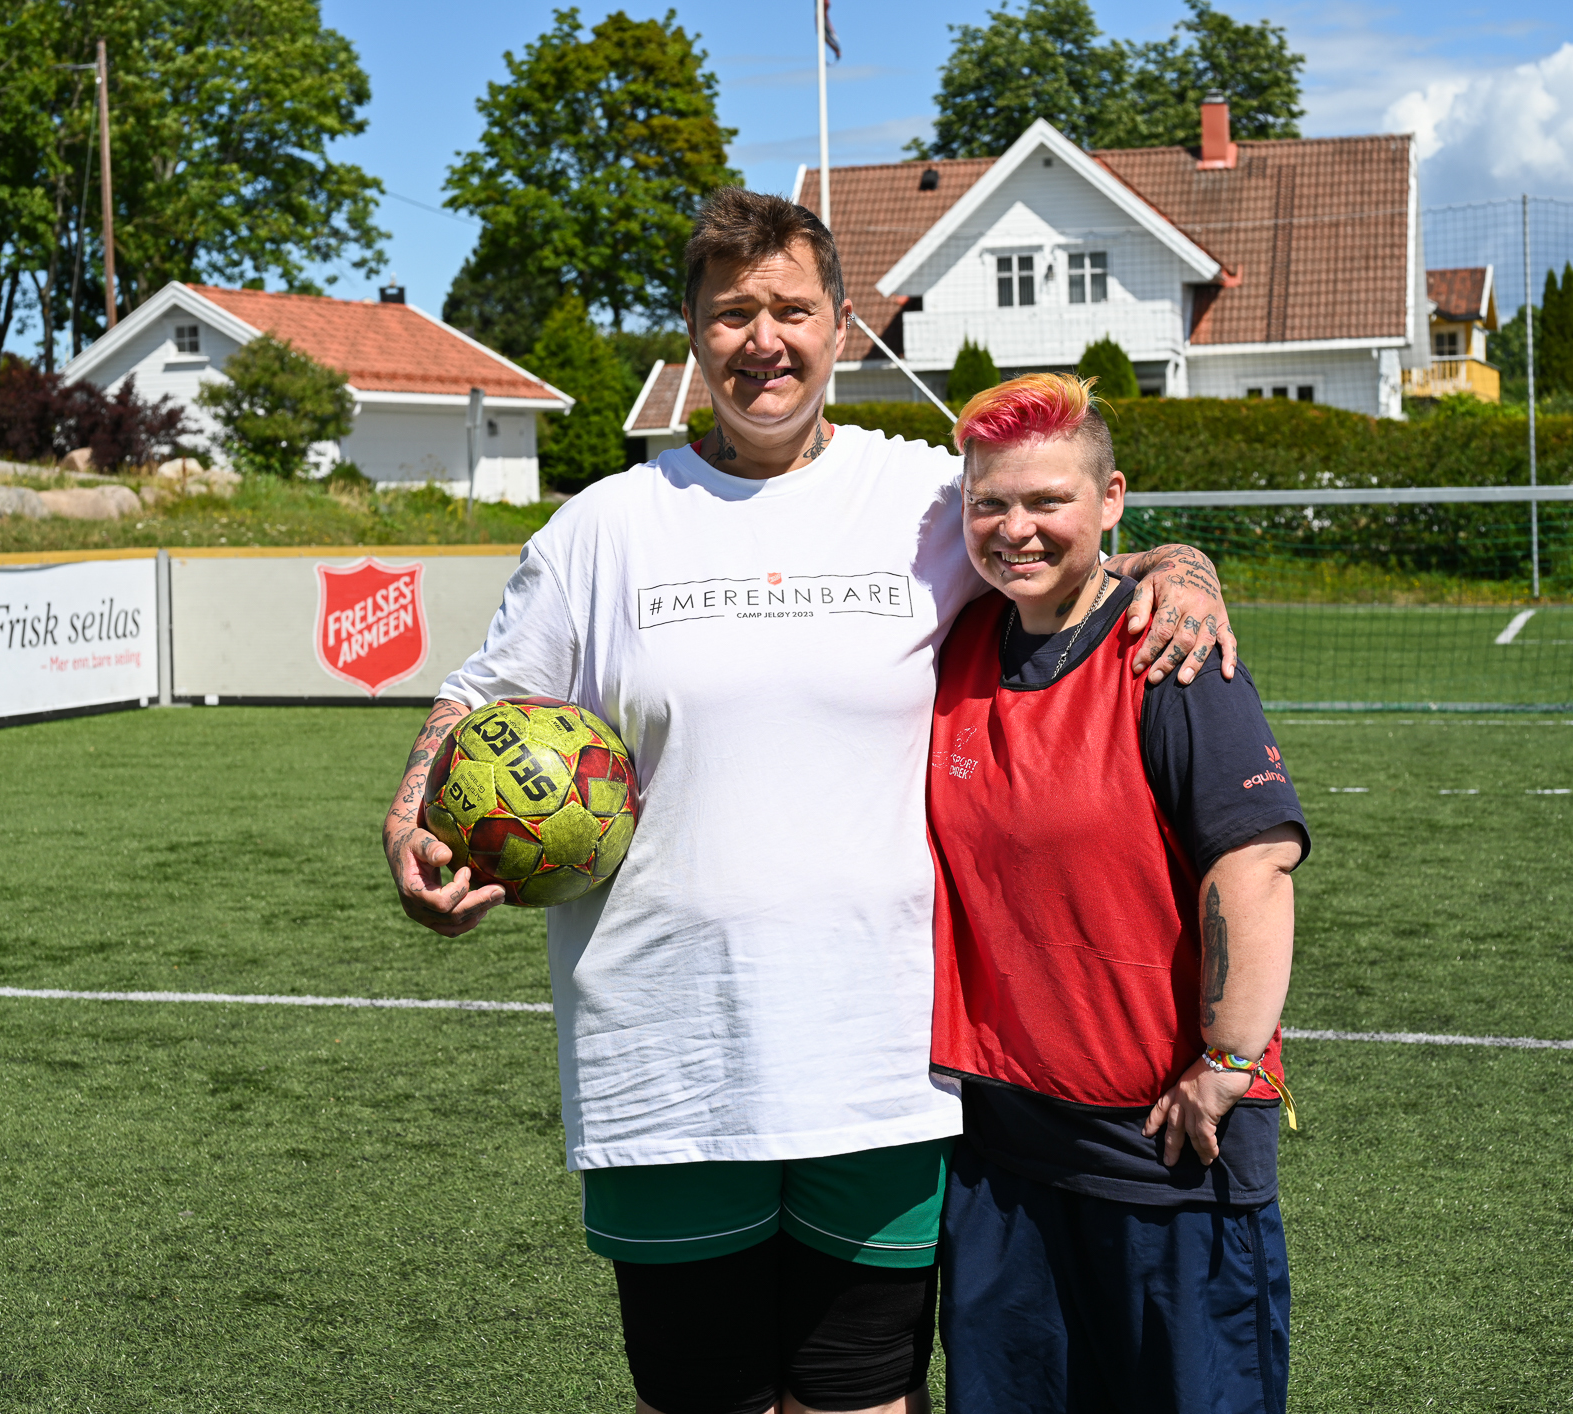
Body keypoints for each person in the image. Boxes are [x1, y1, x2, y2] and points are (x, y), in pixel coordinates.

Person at [382, 190, 1238, 1414]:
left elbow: (1055, 541)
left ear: (844, 326)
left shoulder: (924, 504)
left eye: (791, 308)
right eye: (732, 313)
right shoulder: (603, 529)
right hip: (664, 1056)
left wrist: (1181, 563)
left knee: (863, 1403)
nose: (763, 340)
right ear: (691, 334)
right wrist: (409, 826)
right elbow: (473, 708)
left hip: (877, 1058)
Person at [927, 374, 1309, 1413]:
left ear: (1112, 501)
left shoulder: (1173, 652)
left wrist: (1227, 1062)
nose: (1016, 529)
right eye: (990, 503)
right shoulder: (961, 639)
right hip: (999, 1151)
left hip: (1166, 1147)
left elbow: (1256, 861)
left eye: (1048, 500)